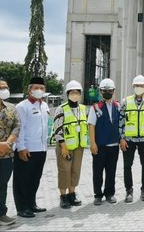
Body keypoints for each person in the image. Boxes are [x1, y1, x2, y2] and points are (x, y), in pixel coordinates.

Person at [119, 75, 144, 202]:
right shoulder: (125, 101)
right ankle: (129, 191)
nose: (139, 88)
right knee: (127, 166)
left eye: (141, 86)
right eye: (137, 86)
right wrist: (122, 138)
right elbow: (120, 121)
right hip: (129, 140)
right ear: (133, 87)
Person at [13, 77, 49, 218]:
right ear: (29, 89)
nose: (39, 90)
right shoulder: (22, 106)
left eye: (41, 88)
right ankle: (22, 208)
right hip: (26, 149)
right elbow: (18, 129)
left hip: (41, 149)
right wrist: (21, 147)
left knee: (35, 178)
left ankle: (31, 203)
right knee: (22, 179)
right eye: (36, 88)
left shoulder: (44, 106)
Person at [52, 80, 87, 209]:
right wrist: (63, 146)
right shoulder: (61, 108)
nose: (75, 94)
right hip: (65, 147)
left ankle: (72, 193)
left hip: (79, 146)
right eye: (72, 92)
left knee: (75, 171)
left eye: (77, 92)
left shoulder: (82, 108)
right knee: (64, 171)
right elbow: (57, 128)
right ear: (67, 94)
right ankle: (63, 196)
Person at [88, 78, 120, 205]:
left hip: (114, 145)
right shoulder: (95, 107)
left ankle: (109, 193)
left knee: (111, 171)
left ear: (113, 91)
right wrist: (92, 143)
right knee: (97, 171)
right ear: (100, 92)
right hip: (100, 145)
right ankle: (98, 195)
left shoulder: (118, 106)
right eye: (104, 90)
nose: (107, 92)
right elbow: (91, 126)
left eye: (110, 90)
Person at [0, 78, 20, 225]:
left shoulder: (11, 107)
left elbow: (17, 126)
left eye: (5, 87)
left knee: (2, 184)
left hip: (6, 153)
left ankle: (2, 214)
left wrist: (7, 143)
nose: (4, 90)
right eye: (1, 88)